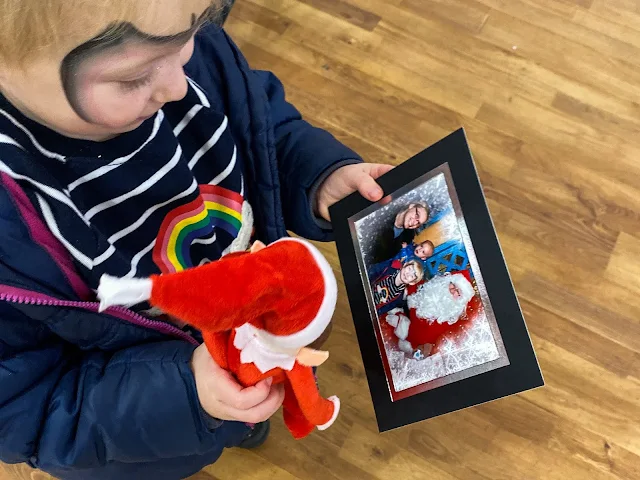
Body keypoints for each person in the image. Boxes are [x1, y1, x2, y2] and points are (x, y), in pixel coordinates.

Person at [0, 1, 393, 479]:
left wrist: (317, 175)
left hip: (255, 322)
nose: (178, 86)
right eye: (132, 78)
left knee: (253, 406)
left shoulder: (167, 35)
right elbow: (28, 408)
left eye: (196, 28)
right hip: (147, 410)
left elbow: (259, 122)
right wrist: (188, 394)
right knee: (219, 419)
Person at [387, 270, 476, 359]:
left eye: (458, 292)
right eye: (453, 285)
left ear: (460, 300)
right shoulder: (431, 288)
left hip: (409, 338)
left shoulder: (446, 318)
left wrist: (400, 322)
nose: (452, 291)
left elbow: (422, 338)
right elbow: (414, 288)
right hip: (402, 309)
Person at [367, 239, 434, 280]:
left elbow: (406, 261)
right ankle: (369, 270)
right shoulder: (414, 248)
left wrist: (404, 249)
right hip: (391, 262)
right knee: (377, 267)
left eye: (423, 252)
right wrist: (410, 244)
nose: (419, 249)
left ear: (423, 257)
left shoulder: (417, 262)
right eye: (421, 246)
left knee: (379, 275)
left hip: (393, 271)